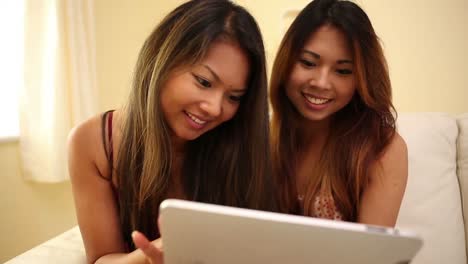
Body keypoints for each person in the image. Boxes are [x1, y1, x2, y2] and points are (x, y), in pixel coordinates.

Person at [67, 0, 274, 263]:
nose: (214, 108)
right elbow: (102, 259)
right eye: (204, 81)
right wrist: (163, 250)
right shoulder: (93, 142)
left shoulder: (242, 142)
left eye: (234, 97)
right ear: (162, 59)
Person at [270, 0, 407, 227]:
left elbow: (372, 255)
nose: (322, 83)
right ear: (287, 61)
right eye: (308, 62)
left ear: (361, 78)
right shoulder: (261, 136)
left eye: (342, 71)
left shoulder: (382, 148)